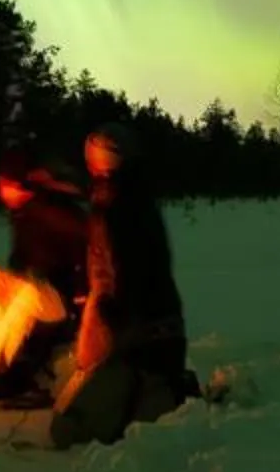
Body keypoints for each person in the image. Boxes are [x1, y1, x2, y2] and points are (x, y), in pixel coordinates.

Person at [51, 120, 199, 449]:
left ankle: (164, 394)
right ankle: (156, 393)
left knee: (67, 431)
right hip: (158, 333)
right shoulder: (135, 198)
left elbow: (118, 277)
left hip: (135, 339)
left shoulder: (113, 208)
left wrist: (103, 327)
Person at [0, 149, 87, 396]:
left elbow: (88, 250)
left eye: (4, 184)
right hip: (30, 286)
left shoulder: (56, 211)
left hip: (60, 301)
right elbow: (23, 261)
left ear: (20, 185)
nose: (0, 191)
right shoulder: (24, 212)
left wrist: (81, 295)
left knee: (28, 291)